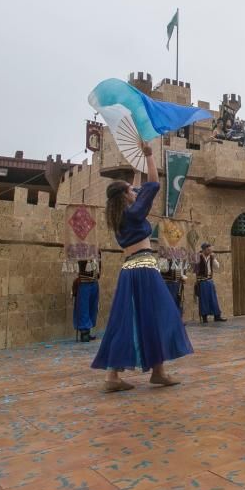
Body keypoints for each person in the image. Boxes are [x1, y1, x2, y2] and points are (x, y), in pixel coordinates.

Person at [92, 143, 192, 392]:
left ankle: (115, 375)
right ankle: (156, 371)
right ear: (126, 196)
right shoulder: (135, 213)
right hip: (145, 269)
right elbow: (153, 184)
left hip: (129, 270)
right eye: (130, 190)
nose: (135, 192)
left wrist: (136, 169)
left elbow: (139, 187)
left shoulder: (119, 215)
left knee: (127, 318)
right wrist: (149, 157)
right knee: (161, 314)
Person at [194, 243, 227, 323]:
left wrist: (214, 258)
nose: (210, 251)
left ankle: (217, 316)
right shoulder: (198, 257)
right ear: (204, 249)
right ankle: (204, 317)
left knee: (213, 299)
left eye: (210, 249)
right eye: (208, 249)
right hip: (202, 282)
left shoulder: (211, 257)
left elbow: (217, 266)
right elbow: (194, 268)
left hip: (209, 281)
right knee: (204, 300)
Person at [72, 260, 100, 341]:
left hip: (94, 281)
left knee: (93, 307)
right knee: (83, 307)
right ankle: (84, 332)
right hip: (84, 281)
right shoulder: (82, 249)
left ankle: (88, 330)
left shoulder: (97, 250)